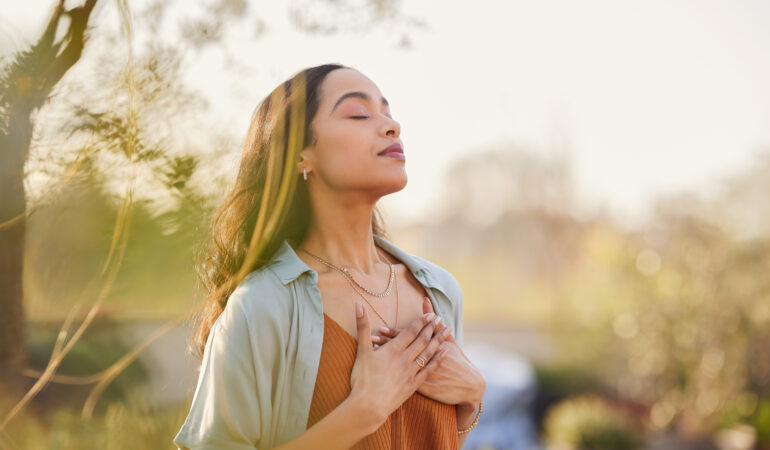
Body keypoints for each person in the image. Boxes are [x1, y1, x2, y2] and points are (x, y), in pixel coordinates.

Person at [173, 63, 486, 449]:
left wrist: (472, 400)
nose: (392, 126)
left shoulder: (439, 291)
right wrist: (363, 412)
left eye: (388, 112)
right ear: (302, 156)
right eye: (359, 114)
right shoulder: (261, 307)